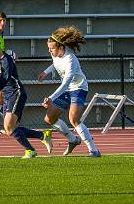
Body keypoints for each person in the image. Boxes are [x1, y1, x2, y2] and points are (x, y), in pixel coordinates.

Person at [0, 34, 52, 158]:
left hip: (16, 93)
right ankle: (43, 136)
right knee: (9, 130)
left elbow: (1, 83)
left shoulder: (6, 61)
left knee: (9, 127)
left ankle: (30, 150)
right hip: (7, 96)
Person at [38, 26, 101, 157]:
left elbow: (66, 82)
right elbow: (55, 64)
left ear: (61, 48)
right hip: (67, 90)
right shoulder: (56, 55)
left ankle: (94, 150)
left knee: (74, 119)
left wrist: (51, 98)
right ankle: (73, 140)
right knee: (49, 119)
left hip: (78, 88)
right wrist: (46, 72)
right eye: (48, 48)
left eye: (51, 48)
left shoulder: (70, 59)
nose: (49, 51)